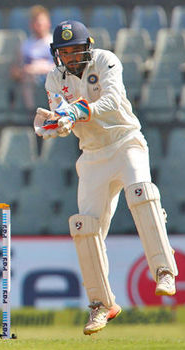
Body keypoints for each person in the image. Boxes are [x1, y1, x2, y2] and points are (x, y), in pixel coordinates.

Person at [33, 20, 177, 335]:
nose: (70, 58)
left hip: (125, 142)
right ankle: (102, 304)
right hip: (93, 155)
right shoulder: (54, 78)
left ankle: (164, 270)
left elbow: (110, 101)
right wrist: (56, 125)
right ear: (57, 55)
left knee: (141, 192)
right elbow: (63, 118)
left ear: (88, 47)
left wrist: (74, 111)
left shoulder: (106, 60)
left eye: (75, 50)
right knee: (84, 226)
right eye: (64, 53)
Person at [11, 5, 55, 110]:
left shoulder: (54, 43)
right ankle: (32, 113)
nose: (39, 25)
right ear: (31, 25)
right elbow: (15, 70)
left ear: (48, 23)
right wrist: (25, 70)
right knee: (27, 78)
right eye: (36, 22)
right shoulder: (25, 45)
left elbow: (63, 66)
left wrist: (43, 68)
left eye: (41, 22)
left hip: (51, 76)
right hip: (31, 79)